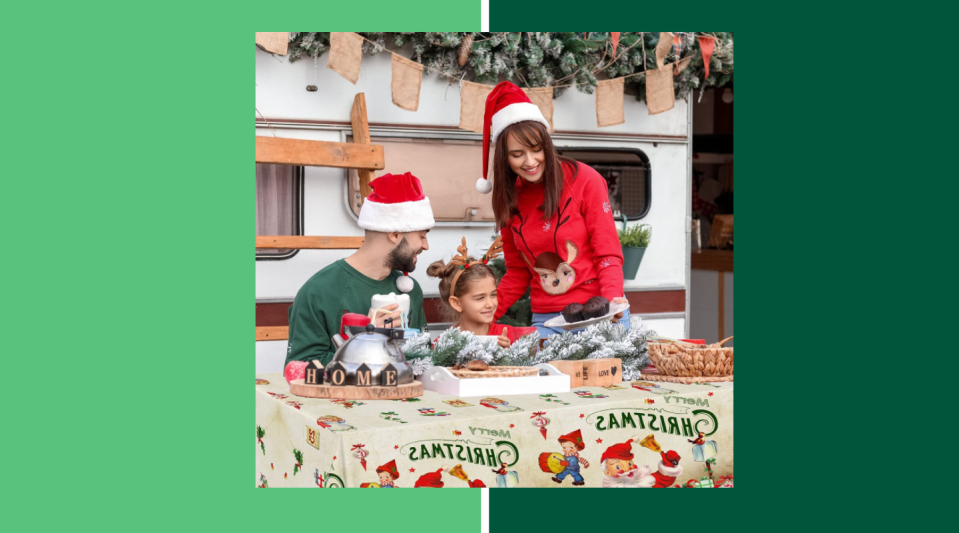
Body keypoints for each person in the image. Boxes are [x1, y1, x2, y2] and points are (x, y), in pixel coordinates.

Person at [475, 81, 630, 338]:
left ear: (546, 144)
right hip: (547, 321)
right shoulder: (510, 197)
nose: (530, 161)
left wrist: (613, 299)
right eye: (517, 154)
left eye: (536, 149)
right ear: (504, 158)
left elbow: (608, 254)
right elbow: (516, 273)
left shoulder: (585, 180)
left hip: (599, 312)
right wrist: (479, 315)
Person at [285, 172, 433, 367]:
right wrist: (365, 343)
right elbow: (299, 368)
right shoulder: (319, 291)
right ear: (395, 234)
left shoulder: (410, 290)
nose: (426, 245)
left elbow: (424, 359)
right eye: (421, 236)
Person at [426, 236, 536, 347]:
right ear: (456, 303)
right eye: (480, 298)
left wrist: (509, 355)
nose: (490, 304)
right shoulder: (442, 346)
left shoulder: (512, 337)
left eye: (493, 295)